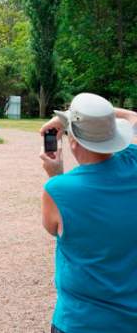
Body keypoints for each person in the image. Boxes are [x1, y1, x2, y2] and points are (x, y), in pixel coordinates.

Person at [39, 93, 137, 332]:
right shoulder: (133, 161)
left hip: (80, 321)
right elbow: (133, 117)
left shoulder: (58, 190)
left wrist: (55, 174)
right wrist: (78, 119)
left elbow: (54, 228)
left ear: (72, 140)